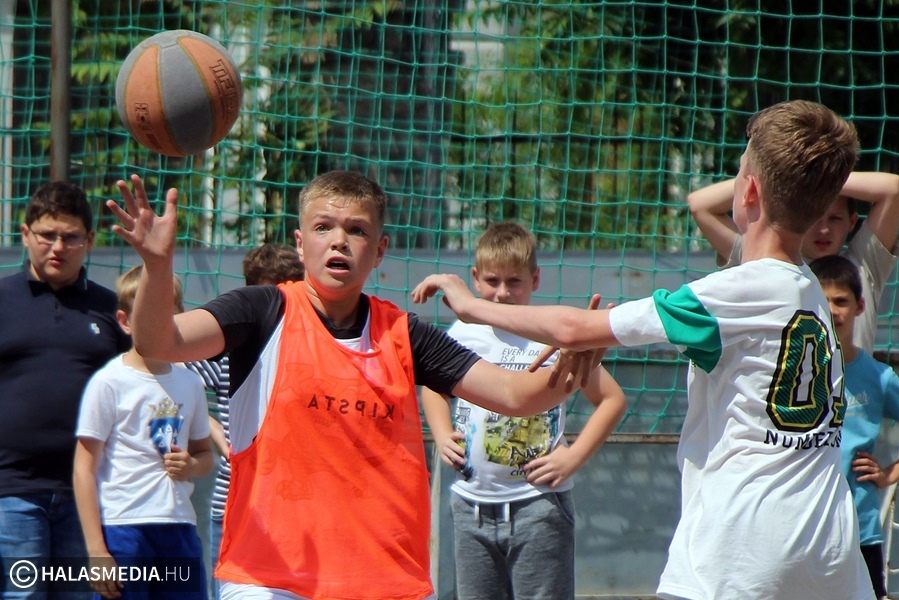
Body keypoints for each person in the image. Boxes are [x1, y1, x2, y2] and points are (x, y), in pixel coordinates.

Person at [412, 100, 875, 599]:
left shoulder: (733, 293)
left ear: (750, 191)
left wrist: (471, 306)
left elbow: (571, 328)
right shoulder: (809, 289)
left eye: (740, 168)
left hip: (743, 552)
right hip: (830, 549)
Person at [104, 170, 599, 600]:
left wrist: (584, 350)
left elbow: (516, 395)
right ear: (301, 244)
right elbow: (160, 342)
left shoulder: (404, 334)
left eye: (356, 230)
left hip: (382, 579)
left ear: (379, 249)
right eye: (323, 227)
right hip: (269, 576)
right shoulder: (260, 311)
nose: (339, 240)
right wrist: (156, 264)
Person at [420, 221, 626, 600]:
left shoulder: (553, 336)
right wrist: (440, 430)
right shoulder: (462, 334)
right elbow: (433, 386)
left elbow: (612, 400)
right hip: (471, 506)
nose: (501, 293)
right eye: (492, 281)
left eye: (513, 281)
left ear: (535, 280)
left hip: (538, 507)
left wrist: (573, 457)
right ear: (474, 279)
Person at [0, 182, 131, 600]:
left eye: (71, 236)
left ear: (90, 241)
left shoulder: (112, 310)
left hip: (89, 495)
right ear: (25, 235)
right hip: (11, 491)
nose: (58, 246)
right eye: (46, 235)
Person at [73, 265, 214, 600]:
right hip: (124, 528)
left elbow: (205, 454)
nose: (157, 320)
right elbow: (84, 468)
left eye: (166, 312)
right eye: (147, 312)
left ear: (181, 316)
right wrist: (97, 549)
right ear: (124, 320)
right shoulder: (109, 381)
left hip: (179, 527)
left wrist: (192, 466)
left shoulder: (191, 383)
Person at [185, 242, 305, 600]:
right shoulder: (230, 348)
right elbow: (173, 380)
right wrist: (216, 432)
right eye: (269, 293)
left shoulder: (310, 348)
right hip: (237, 508)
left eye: (287, 294)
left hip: (298, 509)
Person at [686, 170, 899, 352]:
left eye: (834, 219)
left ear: (852, 222)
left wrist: (819, 178)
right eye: (815, 217)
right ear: (799, 217)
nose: (824, 230)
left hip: (853, 400)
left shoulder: (863, 265)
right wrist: (786, 177)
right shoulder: (764, 260)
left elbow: (893, 188)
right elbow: (700, 204)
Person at [809, 254, 899, 600]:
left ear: (860, 306)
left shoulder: (878, 378)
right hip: (804, 528)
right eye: (822, 300)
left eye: (841, 301)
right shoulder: (791, 373)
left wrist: (890, 473)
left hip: (859, 532)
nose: (832, 310)